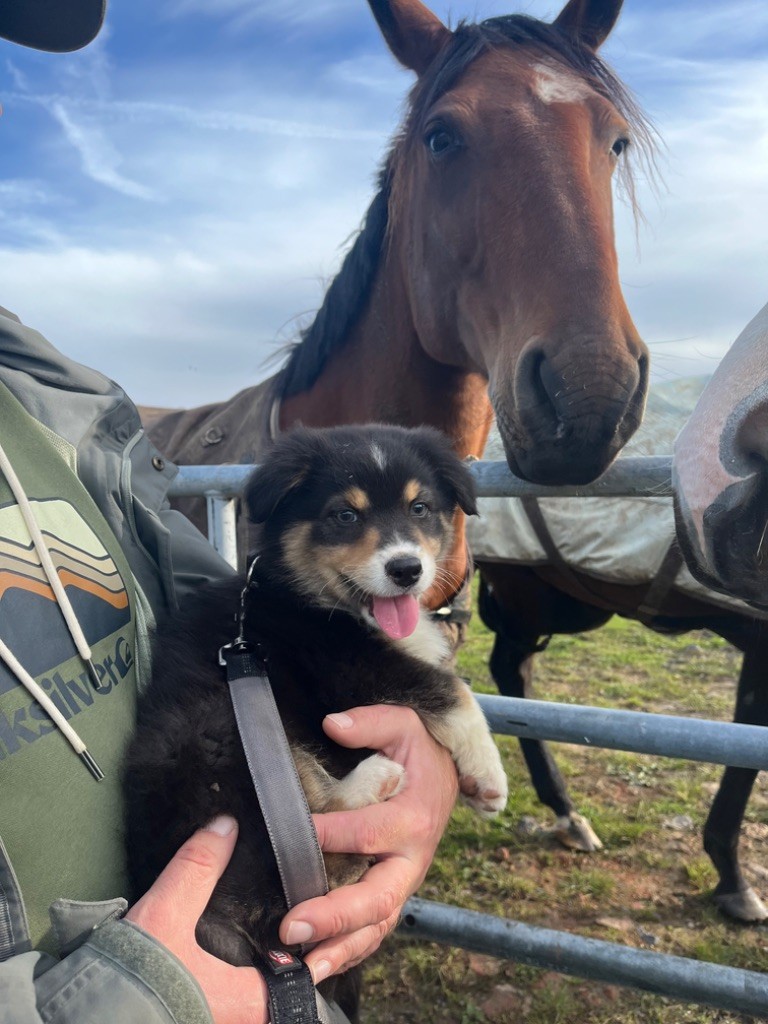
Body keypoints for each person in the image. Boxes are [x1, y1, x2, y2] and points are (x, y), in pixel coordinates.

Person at [0, 4, 459, 1022]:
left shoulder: (56, 411)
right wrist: (140, 1002)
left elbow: (242, 608)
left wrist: (414, 744)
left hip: (280, 953)